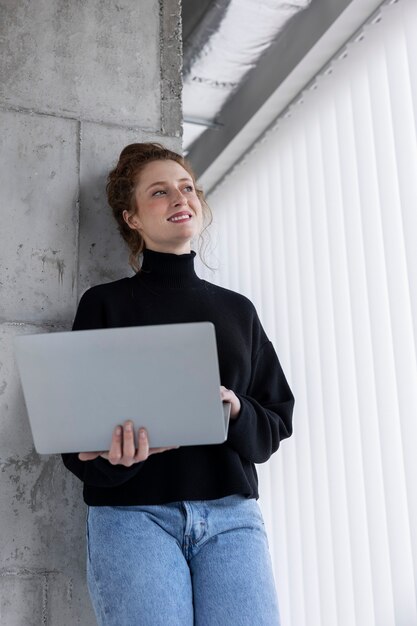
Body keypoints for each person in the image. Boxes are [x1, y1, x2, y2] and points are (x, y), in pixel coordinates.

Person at [62, 142, 294, 626]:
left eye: (186, 188)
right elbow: (74, 436)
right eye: (160, 192)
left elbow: (276, 419)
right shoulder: (103, 305)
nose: (180, 199)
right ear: (132, 218)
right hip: (133, 518)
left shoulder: (238, 311)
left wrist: (234, 410)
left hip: (232, 519)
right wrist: (114, 459)